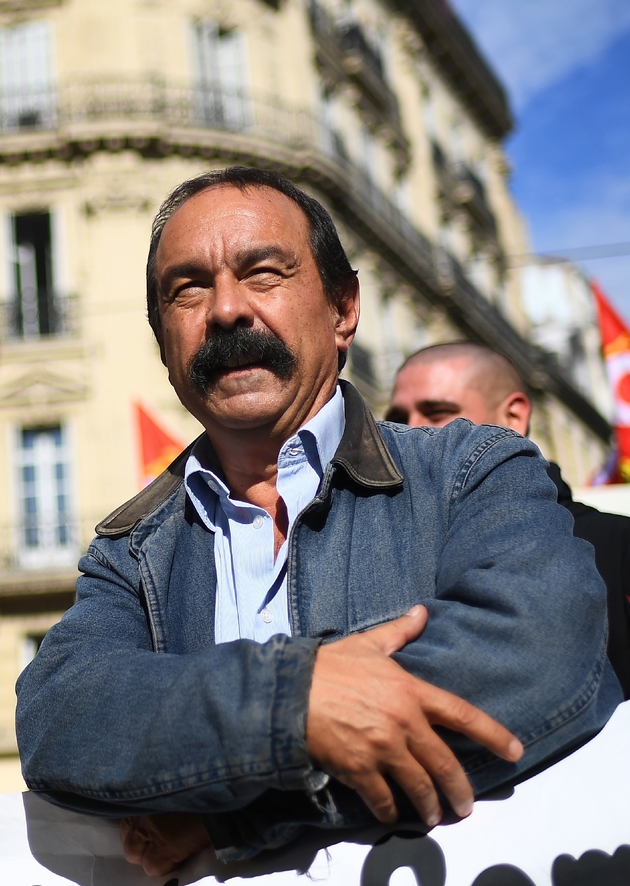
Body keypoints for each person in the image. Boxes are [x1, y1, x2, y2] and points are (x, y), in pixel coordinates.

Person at [16, 170, 621, 877]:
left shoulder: (472, 468)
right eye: (187, 290)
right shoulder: (130, 551)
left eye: (263, 273)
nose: (226, 310)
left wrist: (241, 813)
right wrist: (290, 702)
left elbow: (540, 654)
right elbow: (63, 720)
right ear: (163, 342)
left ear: (342, 309)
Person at [386, 341, 630, 698]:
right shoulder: (381, 549)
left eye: (437, 412)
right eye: (396, 419)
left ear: (513, 417)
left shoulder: (618, 544)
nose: (410, 431)